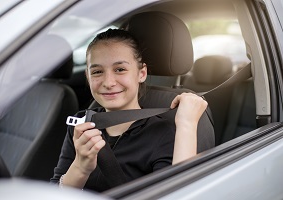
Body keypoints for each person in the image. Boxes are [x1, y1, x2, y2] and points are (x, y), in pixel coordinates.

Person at [50, 29, 207, 192]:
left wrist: (187, 124)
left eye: (120, 69)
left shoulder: (163, 134)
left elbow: (179, 194)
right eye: (97, 72)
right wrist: (80, 168)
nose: (108, 82)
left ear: (142, 73)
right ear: (88, 77)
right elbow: (54, 193)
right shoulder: (82, 124)